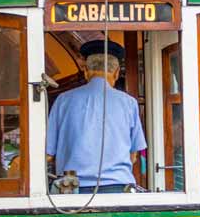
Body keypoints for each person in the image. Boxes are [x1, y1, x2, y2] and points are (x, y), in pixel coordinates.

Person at [46, 40, 147, 194]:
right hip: (118, 189)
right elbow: (133, 155)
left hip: (72, 189)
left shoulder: (63, 101)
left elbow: (48, 154)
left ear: (86, 70)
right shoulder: (129, 103)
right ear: (117, 72)